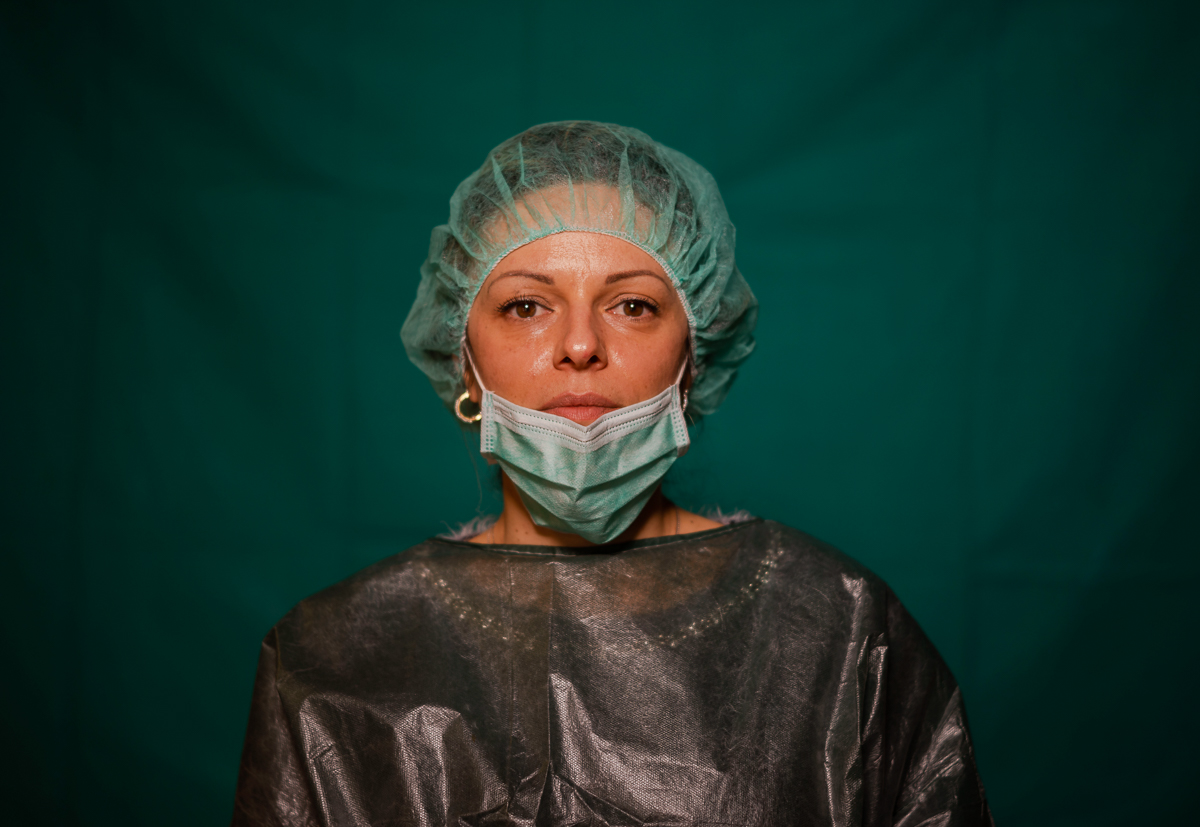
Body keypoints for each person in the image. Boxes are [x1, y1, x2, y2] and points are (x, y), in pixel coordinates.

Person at [231, 121, 993, 826]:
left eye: (631, 304)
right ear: (464, 358)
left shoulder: (840, 629)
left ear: (693, 357)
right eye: (527, 305)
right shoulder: (326, 660)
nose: (580, 345)